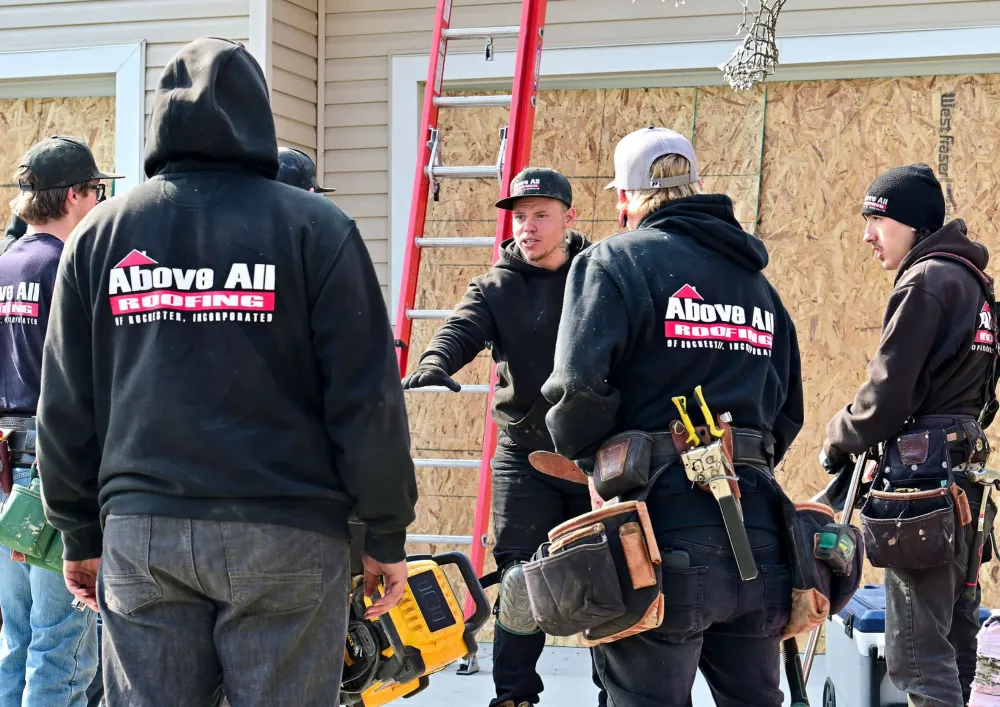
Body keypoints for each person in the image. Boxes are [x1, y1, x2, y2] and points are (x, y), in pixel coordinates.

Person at [35, 37, 417, 706]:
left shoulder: (100, 234)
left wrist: (79, 531)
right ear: (258, 115)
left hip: (144, 534)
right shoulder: (317, 229)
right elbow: (367, 400)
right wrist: (385, 530)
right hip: (288, 534)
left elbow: (66, 403)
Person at [540, 126, 804, 706]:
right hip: (758, 541)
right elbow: (789, 411)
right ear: (698, 186)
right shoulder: (758, 286)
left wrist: (600, 465)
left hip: (655, 539)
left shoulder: (615, 261)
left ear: (626, 198)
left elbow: (576, 391)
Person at [402, 167, 597, 707]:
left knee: (609, 575)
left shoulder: (600, 275)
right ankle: (514, 696)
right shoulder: (495, 285)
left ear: (568, 218)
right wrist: (437, 361)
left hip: (596, 454)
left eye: (540, 216)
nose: (527, 228)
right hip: (525, 453)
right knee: (518, 578)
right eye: (519, 217)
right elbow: (462, 328)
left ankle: (616, 692)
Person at [821, 164, 997, 707]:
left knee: (917, 654)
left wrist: (839, 436)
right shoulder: (973, 284)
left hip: (921, 494)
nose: (868, 235)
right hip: (962, 484)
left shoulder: (926, 281)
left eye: (878, 219)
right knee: (953, 637)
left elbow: (887, 395)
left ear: (914, 223)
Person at [0, 135, 120, 707]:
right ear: (74, 194)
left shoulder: (5, 266)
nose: (98, 202)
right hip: (55, 476)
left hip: (5, 473)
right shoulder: (68, 268)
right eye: (95, 190)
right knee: (62, 646)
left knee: (16, 638)